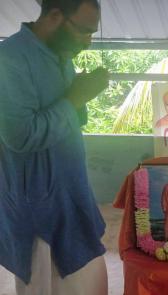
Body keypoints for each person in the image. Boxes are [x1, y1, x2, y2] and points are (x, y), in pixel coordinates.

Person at [0, 0, 109, 294]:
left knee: (90, 283)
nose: (88, 42)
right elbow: (20, 136)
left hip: (72, 196)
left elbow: (67, 119)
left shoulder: (62, 54)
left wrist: (81, 96)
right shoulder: (10, 59)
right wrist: (75, 98)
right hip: (39, 208)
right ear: (55, 16)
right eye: (84, 31)